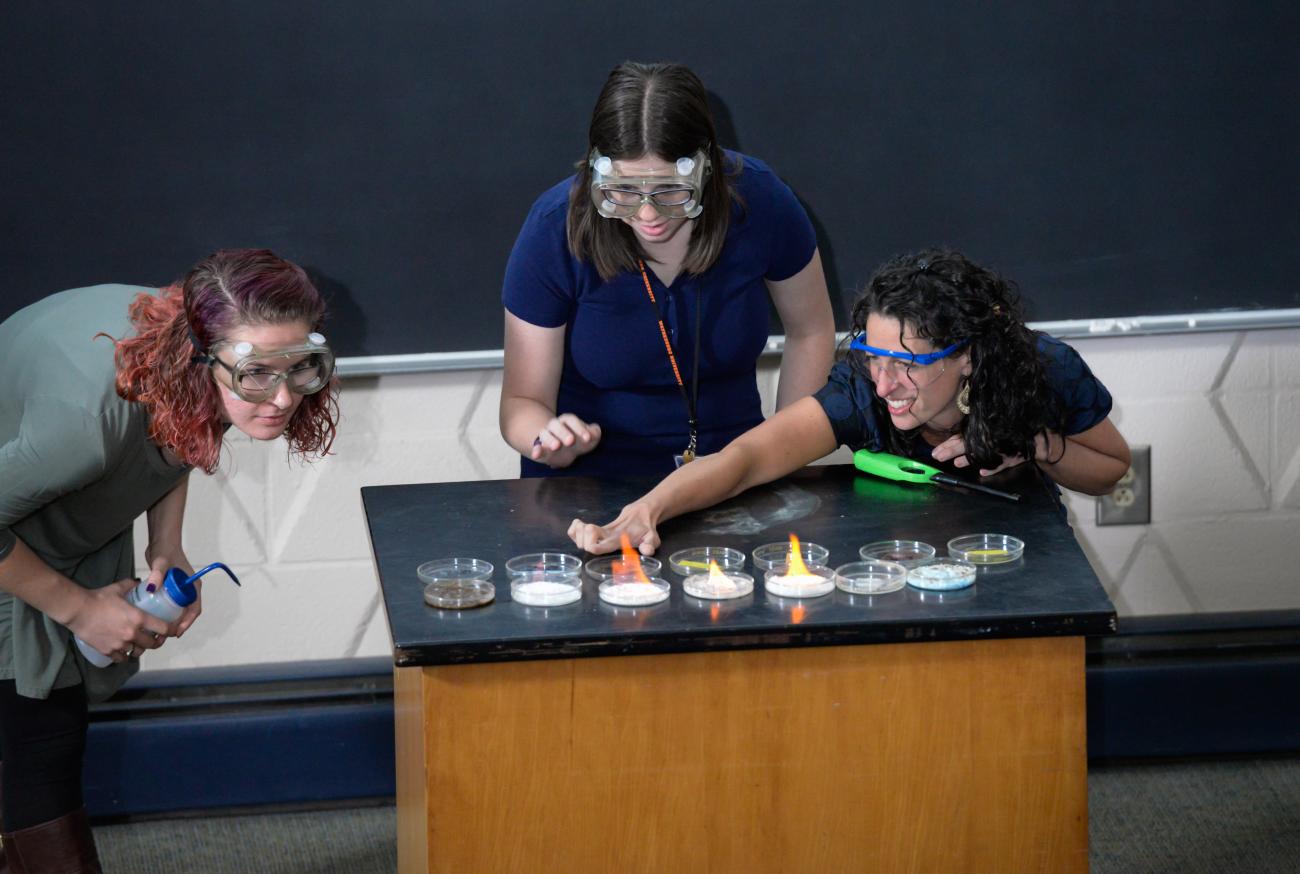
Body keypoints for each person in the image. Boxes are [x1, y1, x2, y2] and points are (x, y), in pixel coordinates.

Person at [0, 249, 339, 871]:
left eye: (301, 369)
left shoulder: (199, 334)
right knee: (33, 738)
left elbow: (182, 428)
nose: (284, 397)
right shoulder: (84, 426)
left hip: (44, 505)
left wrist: (167, 542)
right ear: (203, 358)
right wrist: (76, 608)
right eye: (258, 375)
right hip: (13, 524)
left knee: (46, 736)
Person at [569, 248, 1131, 555]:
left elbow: (1112, 471)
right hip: (906, 564)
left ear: (969, 356)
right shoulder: (862, 387)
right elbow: (744, 461)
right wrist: (648, 509)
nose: (885, 385)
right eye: (872, 355)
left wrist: (1032, 445)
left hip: (1021, 557)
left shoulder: (1043, 368)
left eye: (909, 363)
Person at [500, 61, 836, 478]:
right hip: (589, 483)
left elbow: (811, 330)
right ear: (597, 170)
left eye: (670, 190)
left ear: (706, 168)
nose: (647, 213)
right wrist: (547, 439)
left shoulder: (761, 201)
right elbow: (521, 402)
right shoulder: (555, 227)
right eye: (622, 190)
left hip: (730, 472)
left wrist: (783, 451)